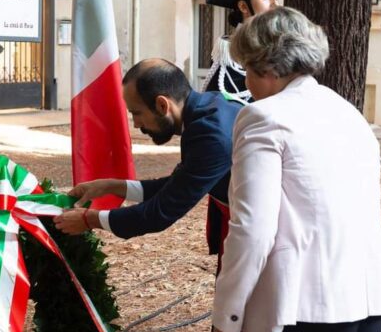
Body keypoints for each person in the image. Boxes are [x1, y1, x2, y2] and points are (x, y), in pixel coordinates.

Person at [212, 6, 381, 332]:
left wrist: (227, 315)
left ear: (266, 68)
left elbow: (252, 230)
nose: (246, 83)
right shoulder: (349, 114)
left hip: (301, 314)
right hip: (368, 303)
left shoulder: (263, 117)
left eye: (246, 69)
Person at [54, 58, 243, 271]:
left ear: (162, 105)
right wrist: (110, 186)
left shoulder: (211, 135)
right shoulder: (207, 107)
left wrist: (90, 220)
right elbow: (176, 185)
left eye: (137, 113)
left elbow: (159, 212)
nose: (136, 124)